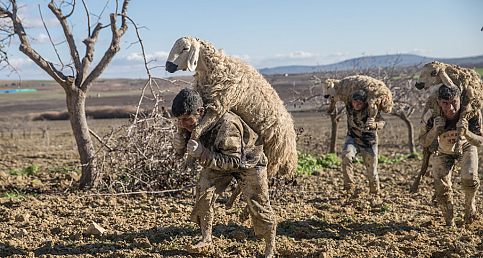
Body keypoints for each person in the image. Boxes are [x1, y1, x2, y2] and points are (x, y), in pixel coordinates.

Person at [171, 88, 276, 258]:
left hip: (250, 162)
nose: (183, 125)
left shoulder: (227, 124)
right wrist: (179, 144)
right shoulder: (189, 122)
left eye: (186, 120)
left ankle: (270, 249)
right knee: (204, 188)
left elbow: (234, 161)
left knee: (259, 204)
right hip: (218, 156)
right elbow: (187, 139)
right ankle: (206, 239)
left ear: (200, 112)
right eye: (180, 120)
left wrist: (202, 154)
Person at [419, 84, 483, 226]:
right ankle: (449, 221)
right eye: (445, 104)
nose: (451, 109)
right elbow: (423, 141)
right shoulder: (431, 114)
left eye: (454, 103)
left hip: (466, 147)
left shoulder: (471, 113)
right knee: (441, 185)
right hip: (442, 150)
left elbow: (479, 141)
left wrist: (466, 132)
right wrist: (434, 129)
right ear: (439, 103)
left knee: (470, 177)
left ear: (460, 100)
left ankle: (470, 206)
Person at [341, 89, 386, 195]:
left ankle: (375, 193)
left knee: (372, 171)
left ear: (365, 102)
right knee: (346, 156)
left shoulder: (371, 109)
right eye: (354, 102)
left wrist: (374, 124)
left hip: (368, 141)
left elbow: (382, 122)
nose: (355, 105)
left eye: (359, 104)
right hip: (353, 137)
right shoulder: (349, 105)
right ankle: (349, 187)